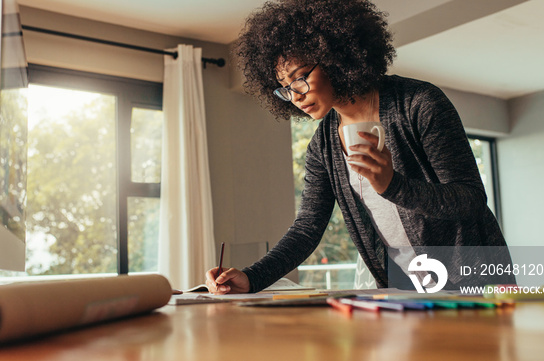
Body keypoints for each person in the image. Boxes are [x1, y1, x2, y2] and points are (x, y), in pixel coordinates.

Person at [205, 0, 513, 294]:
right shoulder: (323, 146)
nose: (295, 95)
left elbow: (470, 198)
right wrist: (251, 277)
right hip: (404, 286)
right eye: (285, 88)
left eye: (300, 78)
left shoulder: (420, 104)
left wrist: (393, 185)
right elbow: (307, 229)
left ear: (336, 56)